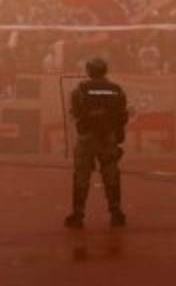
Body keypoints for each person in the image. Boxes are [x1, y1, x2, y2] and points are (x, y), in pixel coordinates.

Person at [65, 57, 129, 229]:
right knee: (111, 175)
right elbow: (122, 115)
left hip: (87, 137)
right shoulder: (117, 90)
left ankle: (78, 214)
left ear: (89, 71)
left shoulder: (80, 90)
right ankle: (116, 212)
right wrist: (117, 135)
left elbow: (76, 113)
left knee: (81, 176)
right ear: (105, 70)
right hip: (108, 137)